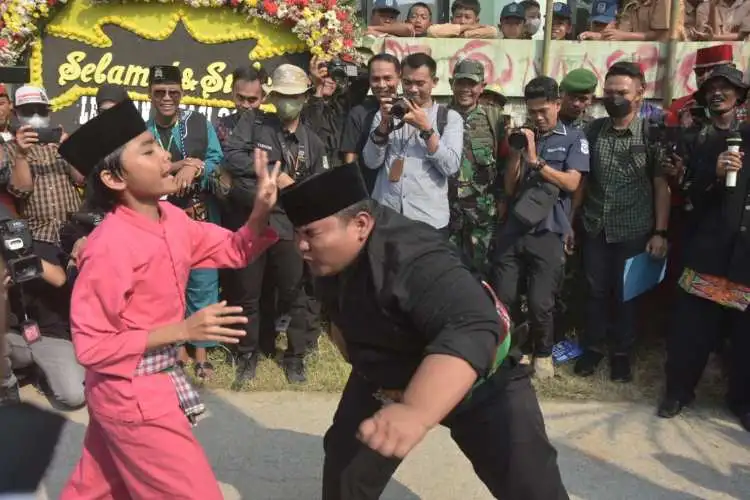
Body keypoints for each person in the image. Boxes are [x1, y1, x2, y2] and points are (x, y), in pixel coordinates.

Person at [279, 163, 568, 500]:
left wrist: (416, 410)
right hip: (385, 373)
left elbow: (474, 325)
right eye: (298, 233)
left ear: (361, 224)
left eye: (310, 233)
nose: (300, 245)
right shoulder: (327, 255)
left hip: (475, 379)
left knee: (533, 489)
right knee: (347, 477)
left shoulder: (415, 257)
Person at [56, 99, 279, 499]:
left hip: (143, 387)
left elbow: (234, 249)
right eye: (147, 150)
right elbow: (91, 347)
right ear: (113, 179)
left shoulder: (172, 218)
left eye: (158, 146)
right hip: (130, 394)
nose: (165, 156)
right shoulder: (108, 246)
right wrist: (182, 330)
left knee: (97, 490)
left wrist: (260, 212)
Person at [658, 66, 750, 430]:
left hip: (746, 256)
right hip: (706, 251)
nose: (717, 94)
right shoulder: (695, 139)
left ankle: (742, 401)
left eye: (725, 88)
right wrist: (712, 173)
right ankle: (678, 393)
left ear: (740, 96)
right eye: (711, 88)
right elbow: (688, 194)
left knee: (745, 338)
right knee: (690, 331)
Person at [146, 65, 225, 380]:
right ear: (149, 94)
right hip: (160, 222)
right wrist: (182, 164)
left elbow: (217, 161)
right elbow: (141, 172)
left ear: (182, 93)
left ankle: (202, 353)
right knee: (170, 287)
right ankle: (176, 350)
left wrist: (197, 169)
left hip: (199, 217)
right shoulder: (143, 133)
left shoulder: (198, 123)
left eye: (173, 92)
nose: (167, 98)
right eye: (160, 92)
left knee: (203, 283)